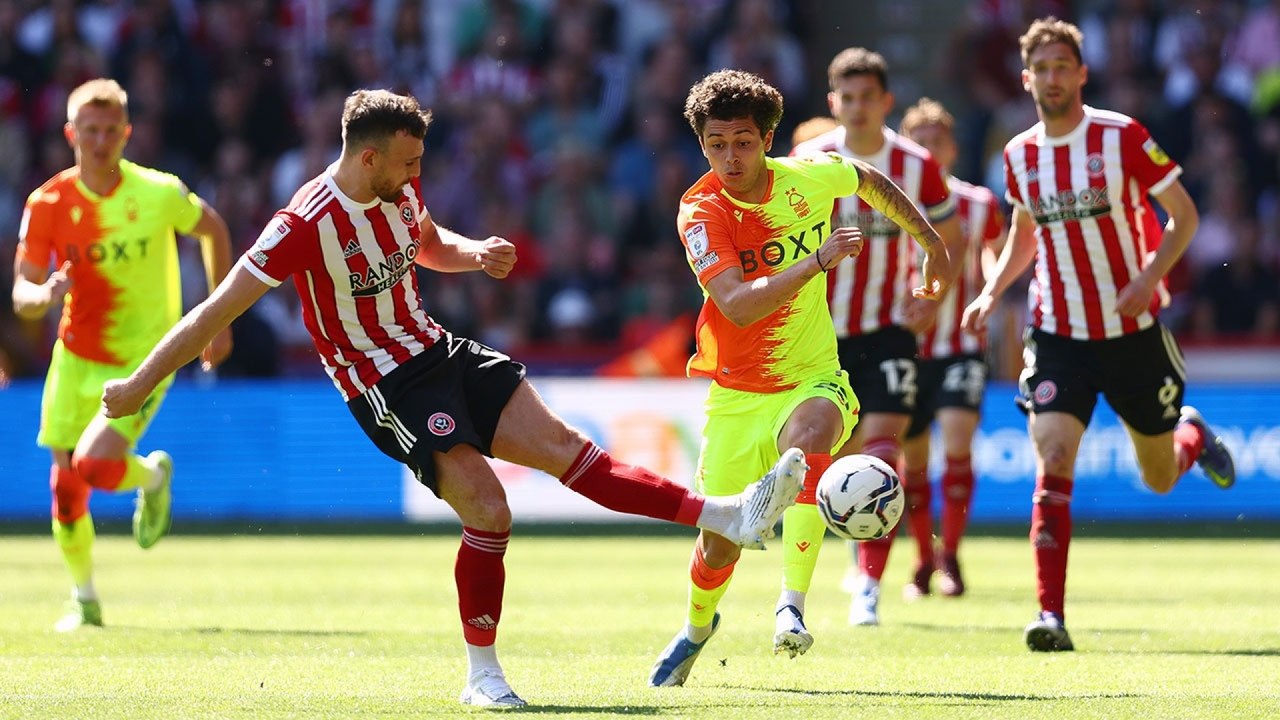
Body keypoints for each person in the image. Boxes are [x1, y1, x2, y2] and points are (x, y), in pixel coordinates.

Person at [101, 88, 808, 708]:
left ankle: (728, 515)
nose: (418, 175)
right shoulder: (303, 224)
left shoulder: (398, 188)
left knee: (566, 450)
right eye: (408, 163)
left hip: (441, 350)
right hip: (384, 384)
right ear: (369, 158)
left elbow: (428, 240)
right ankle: (482, 675)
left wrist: (474, 252)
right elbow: (211, 314)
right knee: (488, 506)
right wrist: (137, 384)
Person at [649, 69, 952, 687]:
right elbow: (736, 303)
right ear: (701, 144)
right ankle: (696, 630)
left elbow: (868, 179)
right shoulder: (702, 210)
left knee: (810, 441)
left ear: (767, 139)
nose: (730, 157)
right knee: (717, 549)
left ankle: (792, 606)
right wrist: (816, 260)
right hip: (736, 395)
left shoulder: (807, 177)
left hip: (814, 375)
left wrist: (931, 244)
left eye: (742, 141)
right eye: (716, 144)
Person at [961, 17, 1236, 652]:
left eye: (1064, 66)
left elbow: (1185, 215)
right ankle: (1050, 616)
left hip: (1133, 331)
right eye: (1042, 69)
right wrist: (988, 291)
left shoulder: (1121, 137)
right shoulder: (1018, 153)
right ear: (1025, 77)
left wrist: (1147, 279)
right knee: (1053, 457)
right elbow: (1026, 232)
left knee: (1160, 476)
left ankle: (1190, 433)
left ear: (1081, 73)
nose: (1052, 78)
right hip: (1058, 332)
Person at [11, 78, 232, 632]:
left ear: (128, 133)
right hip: (74, 358)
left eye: (112, 130)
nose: (102, 140)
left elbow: (214, 229)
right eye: (91, 129)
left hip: (145, 358)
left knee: (95, 466)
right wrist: (42, 296)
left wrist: (216, 319)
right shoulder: (48, 203)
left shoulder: (158, 193)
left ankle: (152, 479)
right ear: (71, 133)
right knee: (66, 488)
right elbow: (22, 291)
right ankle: (83, 599)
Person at [792, 47, 965, 627]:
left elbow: (951, 233)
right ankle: (837, 558)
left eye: (869, 96)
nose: (859, 107)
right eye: (848, 96)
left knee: (882, 454)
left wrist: (935, 295)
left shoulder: (917, 163)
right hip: (820, 337)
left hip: (890, 331)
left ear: (886, 101)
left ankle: (868, 586)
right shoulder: (808, 159)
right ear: (832, 101)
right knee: (828, 458)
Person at [896, 98, 1007, 599]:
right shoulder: (887, 200)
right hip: (907, 346)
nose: (927, 147)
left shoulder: (978, 202)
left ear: (953, 148)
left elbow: (996, 254)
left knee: (958, 445)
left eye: (936, 139)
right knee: (913, 463)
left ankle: (952, 556)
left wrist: (989, 293)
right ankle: (923, 556)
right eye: (918, 139)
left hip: (961, 343)